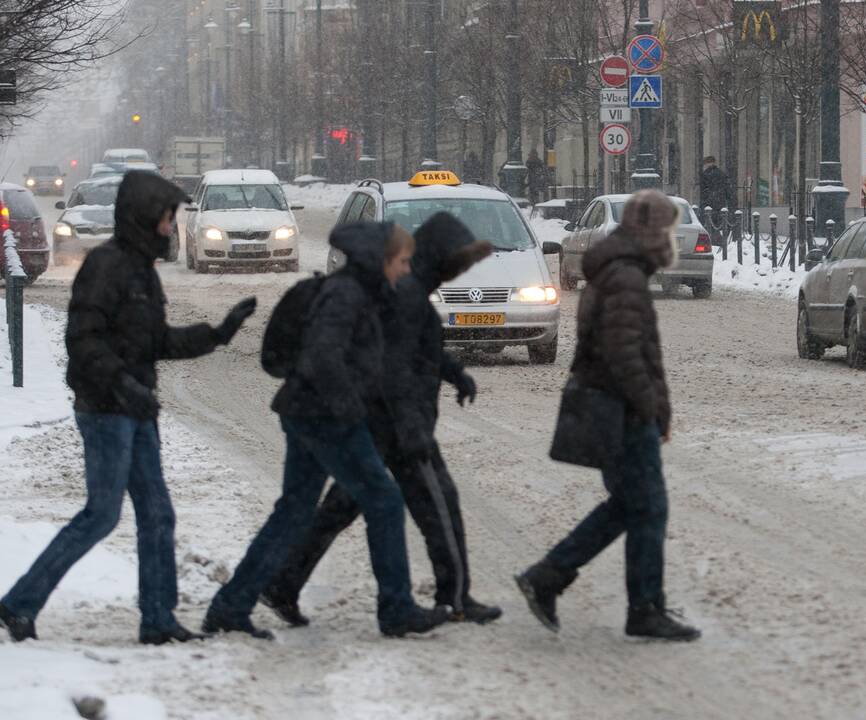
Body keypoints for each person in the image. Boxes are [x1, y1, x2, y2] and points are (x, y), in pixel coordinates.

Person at [0, 170, 257, 645]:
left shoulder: (141, 270)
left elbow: (154, 342)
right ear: (143, 218)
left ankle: (157, 619)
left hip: (137, 409)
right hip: (105, 411)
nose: (169, 226)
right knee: (102, 514)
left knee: (158, 514)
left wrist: (216, 334)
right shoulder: (105, 267)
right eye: (165, 217)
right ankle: (19, 603)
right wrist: (122, 385)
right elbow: (83, 340)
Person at [203, 220, 447, 640]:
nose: (407, 270)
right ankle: (397, 609)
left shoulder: (361, 292)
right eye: (402, 262)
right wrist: (350, 410)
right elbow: (322, 355)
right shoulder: (347, 294)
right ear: (381, 260)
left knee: (295, 511)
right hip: (324, 416)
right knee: (385, 500)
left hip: (307, 411)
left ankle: (231, 605)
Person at [261, 212, 501, 626]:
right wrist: (413, 431)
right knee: (440, 504)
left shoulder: (410, 290)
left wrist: (453, 372)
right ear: (442, 257)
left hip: (376, 421)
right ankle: (455, 598)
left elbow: (413, 351)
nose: (463, 271)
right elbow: (394, 368)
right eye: (461, 263)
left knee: (339, 508)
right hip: (399, 426)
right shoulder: (408, 295)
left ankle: (283, 582)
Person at [515, 189, 701, 642]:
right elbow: (624, 353)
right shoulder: (625, 278)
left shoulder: (619, 270)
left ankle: (555, 576)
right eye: (666, 228)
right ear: (650, 230)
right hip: (622, 412)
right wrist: (650, 407)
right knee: (647, 507)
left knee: (631, 506)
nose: (669, 238)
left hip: (614, 406)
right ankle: (639, 607)